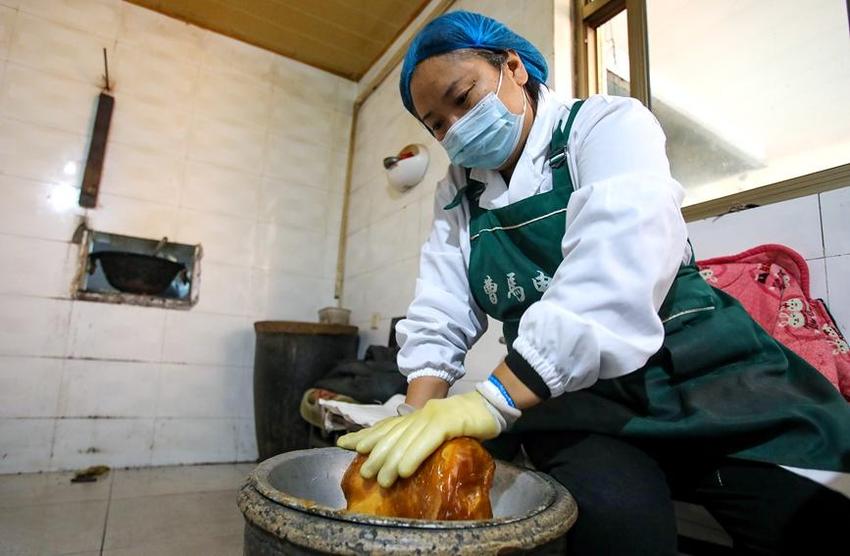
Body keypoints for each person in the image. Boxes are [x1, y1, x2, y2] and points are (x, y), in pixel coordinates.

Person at [337, 10, 850, 555]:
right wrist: (416, 417)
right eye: (437, 124)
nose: (454, 129)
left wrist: (491, 401)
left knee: (819, 521)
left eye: (462, 99)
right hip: (578, 407)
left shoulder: (604, 125)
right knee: (616, 528)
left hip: (703, 373)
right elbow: (441, 305)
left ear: (513, 67)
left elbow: (617, 261)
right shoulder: (457, 193)